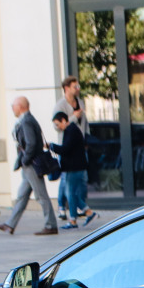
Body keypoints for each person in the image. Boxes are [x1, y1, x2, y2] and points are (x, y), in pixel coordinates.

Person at [0, 96, 58, 236]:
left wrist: (25, 160)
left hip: (31, 164)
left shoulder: (26, 121)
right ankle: (10, 224)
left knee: (41, 195)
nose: (12, 108)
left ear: (20, 106)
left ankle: (51, 224)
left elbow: (30, 143)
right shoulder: (28, 119)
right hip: (29, 164)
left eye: (13, 105)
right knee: (22, 195)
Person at [49, 111, 98, 230]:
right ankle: (88, 213)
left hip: (73, 168)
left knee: (70, 194)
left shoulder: (71, 130)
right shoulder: (72, 130)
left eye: (57, 124)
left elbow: (66, 149)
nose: (57, 127)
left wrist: (52, 146)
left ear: (64, 121)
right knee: (72, 194)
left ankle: (73, 220)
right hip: (76, 167)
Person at [52, 75, 90, 210]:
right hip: (67, 146)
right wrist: (74, 117)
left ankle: (80, 206)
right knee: (65, 179)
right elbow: (57, 125)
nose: (78, 89)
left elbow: (85, 123)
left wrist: (86, 137)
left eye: (78, 86)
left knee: (82, 178)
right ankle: (62, 206)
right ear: (66, 88)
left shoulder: (80, 102)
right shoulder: (61, 105)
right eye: (75, 86)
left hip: (80, 146)